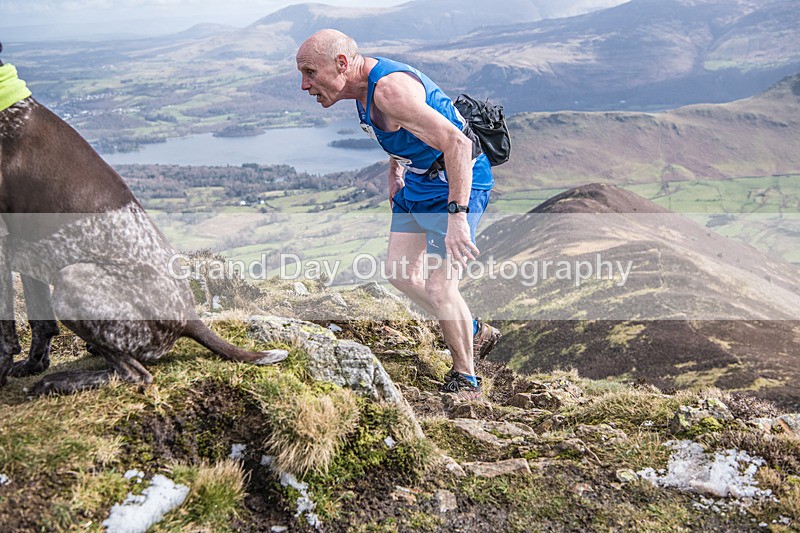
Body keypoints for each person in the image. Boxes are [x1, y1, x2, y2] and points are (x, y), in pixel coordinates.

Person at [296, 29, 500, 399]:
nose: (304, 84)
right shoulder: (360, 89)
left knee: (440, 286)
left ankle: (466, 379)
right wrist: (395, 172)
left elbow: (458, 142)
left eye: (310, 72)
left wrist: (457, 217)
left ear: (342, 64)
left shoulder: (389, 90)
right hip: (419, 182)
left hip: (454, 184)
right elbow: (407, 131)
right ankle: (472, 329)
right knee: (400, 273)